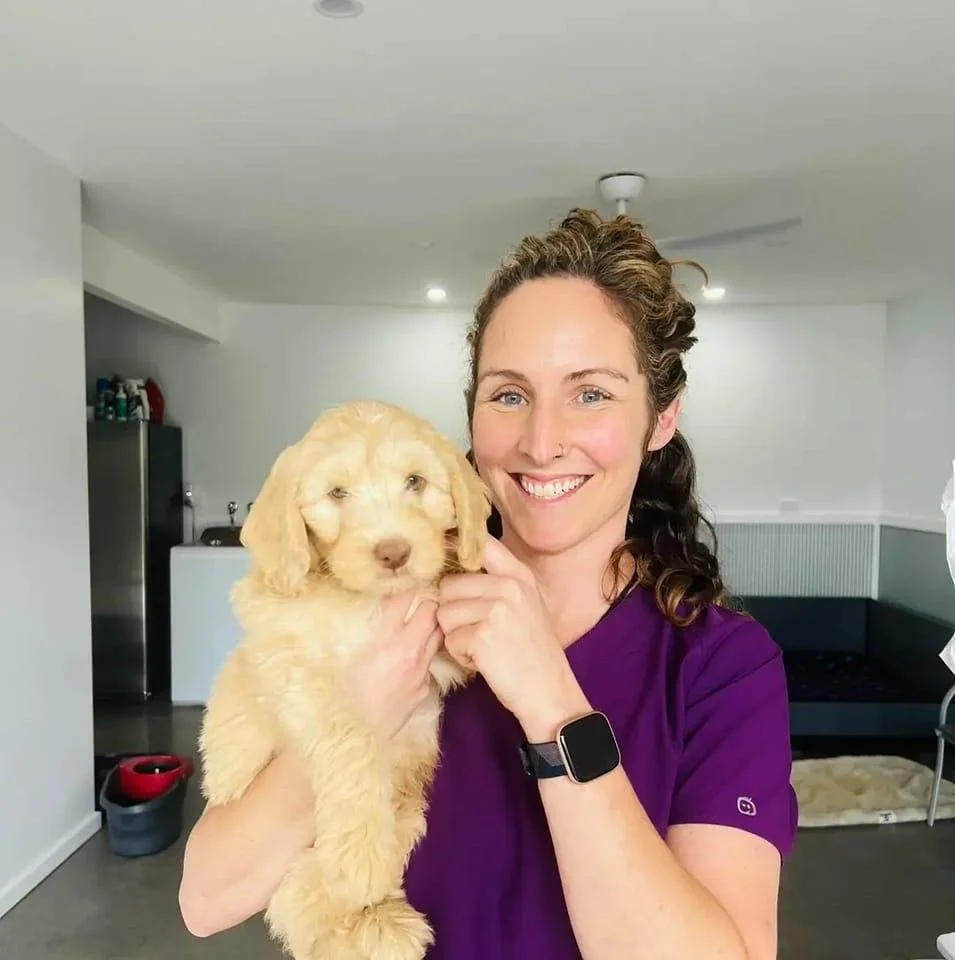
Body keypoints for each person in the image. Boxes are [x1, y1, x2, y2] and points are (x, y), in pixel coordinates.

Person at [178, 209, 797, 959]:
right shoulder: (381, 621)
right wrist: (359, 713)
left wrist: (552, 704)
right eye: (509, 395)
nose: (541, 442)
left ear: (661, 418)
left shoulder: (723, 665)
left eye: (591, 394)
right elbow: (207, 899)